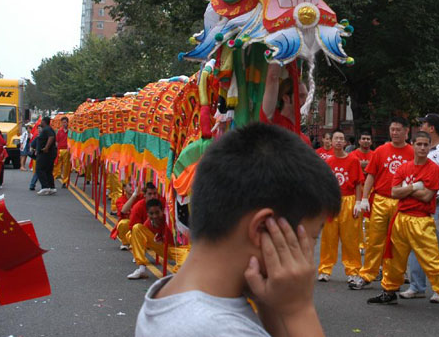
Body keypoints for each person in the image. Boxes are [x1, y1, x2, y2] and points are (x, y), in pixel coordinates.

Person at [135, 122, 339, 337]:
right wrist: (299, 310)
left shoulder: (171, 296)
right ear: (263, 228)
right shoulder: (220, 330)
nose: (311, 257)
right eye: (313, 237)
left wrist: (269, 305)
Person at [366, 131, 439, 321]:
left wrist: (406, 188)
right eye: (419, 144)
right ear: (413, 144)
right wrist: (415, 187)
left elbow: (427, 196)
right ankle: (389, 291)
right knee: (393, 259)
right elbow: (394, 192)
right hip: (401, 218)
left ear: (430, 146)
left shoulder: (434, 169)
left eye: (426, 145)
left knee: (433, 261)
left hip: (421, 221)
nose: (422, 148)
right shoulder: (404, 167)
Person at [349, 117, 413, 290]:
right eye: (392, 129)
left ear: (406, 131)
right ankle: (367, 274)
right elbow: (371, 175)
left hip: (402, 202)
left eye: (398, 129)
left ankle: (394, 276)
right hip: (380, 200)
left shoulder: (412, 152)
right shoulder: (381, 150)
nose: (395, 133)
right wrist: (364, 198)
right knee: (375, 239)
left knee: (398, 241)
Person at [404, 113, 439, 301]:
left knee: (438, 247)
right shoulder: (421, 149)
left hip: (437, 203)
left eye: (424, 124)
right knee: (416, 245)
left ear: (432, 128)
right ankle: (416, 286)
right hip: (418, 203)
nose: (421, 127)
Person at [317, 130, 364, 283]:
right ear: (331, 142)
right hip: (333, 201)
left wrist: (358, 202)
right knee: (328, 237)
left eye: (341, 139)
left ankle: (353, 270)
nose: (338, 141)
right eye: (335, 138)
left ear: (345, 142)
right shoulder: (328, 162)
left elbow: (358, 183)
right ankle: (325, 269)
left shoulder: (353, 160)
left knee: (350, 238)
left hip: (349, 200)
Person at [260, 63, 311, 145]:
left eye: (306, 97)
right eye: (301, 96)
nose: (306, 101)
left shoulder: (305, 141)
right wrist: (278, 55)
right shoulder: (273, 120)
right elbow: (272, 77)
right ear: (286, 98)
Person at [127, 198, 176, 279]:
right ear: (147, 214)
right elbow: (139, 235)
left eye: (157, 213)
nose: (155, 216)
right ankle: (141, 268)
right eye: (151, 213)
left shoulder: (170, 219)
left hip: (178, 250)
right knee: (136, 228)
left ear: (162, 211)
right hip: (162, 249)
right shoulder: (148, 223)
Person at [116, 182, 159, 250]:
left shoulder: (142, 196)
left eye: (135, 185)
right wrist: (134, 195)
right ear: (124, 188)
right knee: (124, 223)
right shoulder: (120, 200)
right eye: (130, 185)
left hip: (146, 227)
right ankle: (126, 242)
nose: (133, 187)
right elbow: (123, 211)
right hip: (132, 227)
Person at [35, 117, 57, 196]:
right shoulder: (49, 129)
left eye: (41, 122)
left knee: (39, 169)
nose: (40, 123)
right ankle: (51, 187)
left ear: (44, 122)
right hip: (50, 153)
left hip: (45, 153)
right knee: (48, 170)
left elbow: (51, 137)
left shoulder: (46, 129)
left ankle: (45, 187)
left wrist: (46, 147)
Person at [53, 116, 71, 188]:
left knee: (66, 167)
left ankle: (65, 181)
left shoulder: (70, 132)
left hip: (67, 150)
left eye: (65, 122)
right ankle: (53, 179)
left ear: (67, 123)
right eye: (63, 122)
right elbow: (56, 141)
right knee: (56, 165)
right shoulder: (59, 131)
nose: (64, 124)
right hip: (60, 150)